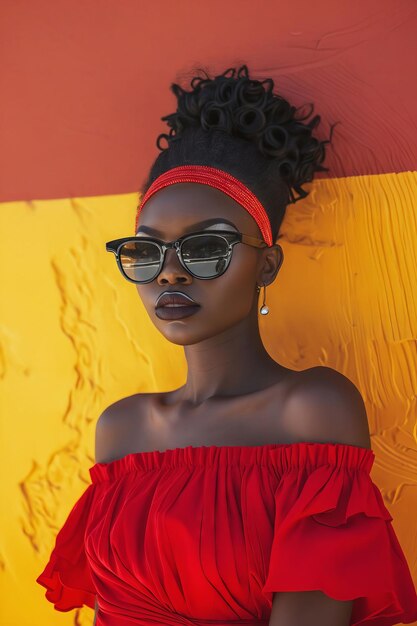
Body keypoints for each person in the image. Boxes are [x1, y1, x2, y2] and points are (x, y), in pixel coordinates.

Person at [36, 64, 417, 626]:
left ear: (267, 265)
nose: (170, 274)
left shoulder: (313, 408)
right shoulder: (122, 432)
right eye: (146, 253)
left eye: (206, 247)